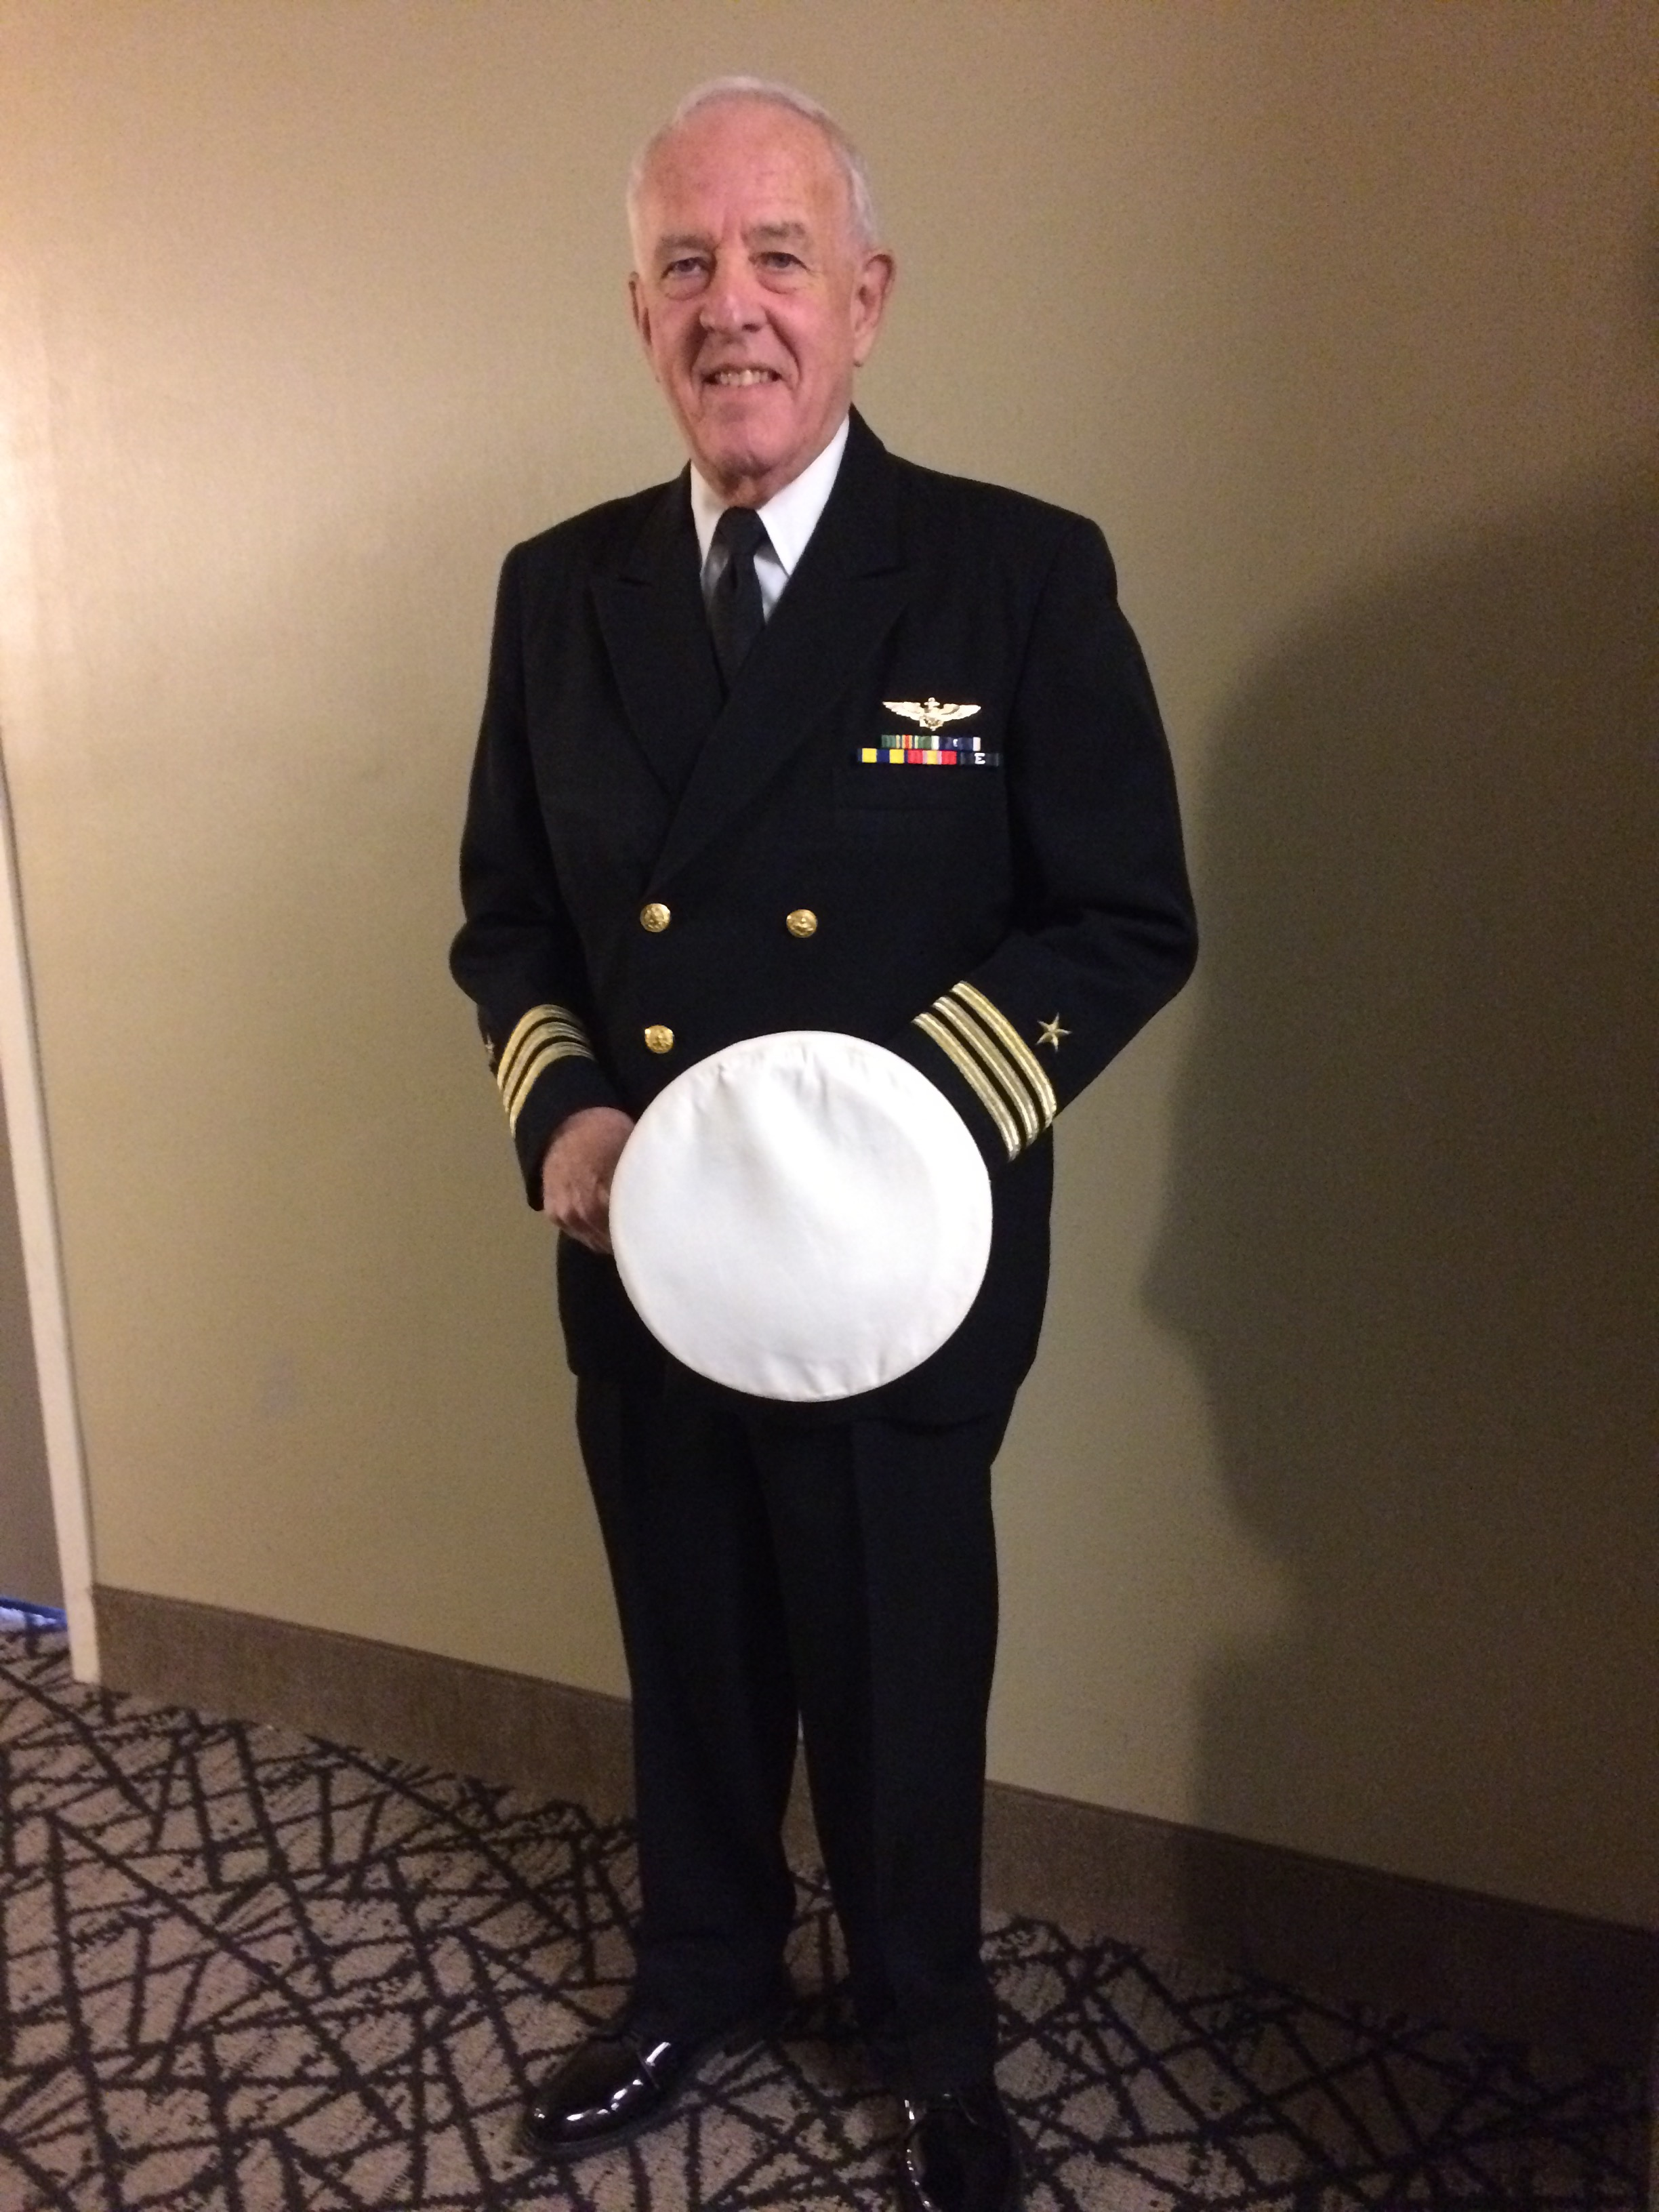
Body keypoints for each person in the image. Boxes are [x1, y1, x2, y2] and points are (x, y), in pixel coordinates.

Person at [451, 77, 1196, 2212]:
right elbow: (507, 919)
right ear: (640, 315)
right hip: (653, 1259)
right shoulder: (558, 591)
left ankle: (932, 2036)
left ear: (866, 298)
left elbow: (1126, 916)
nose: (734, 306)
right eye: (686, 265)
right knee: (691, 1655)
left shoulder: (1011, 574)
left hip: (891, 1274)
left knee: (896, 1673)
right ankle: (699, 1969)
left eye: (779, 257)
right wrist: (563, 1102)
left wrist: (896, 1132)